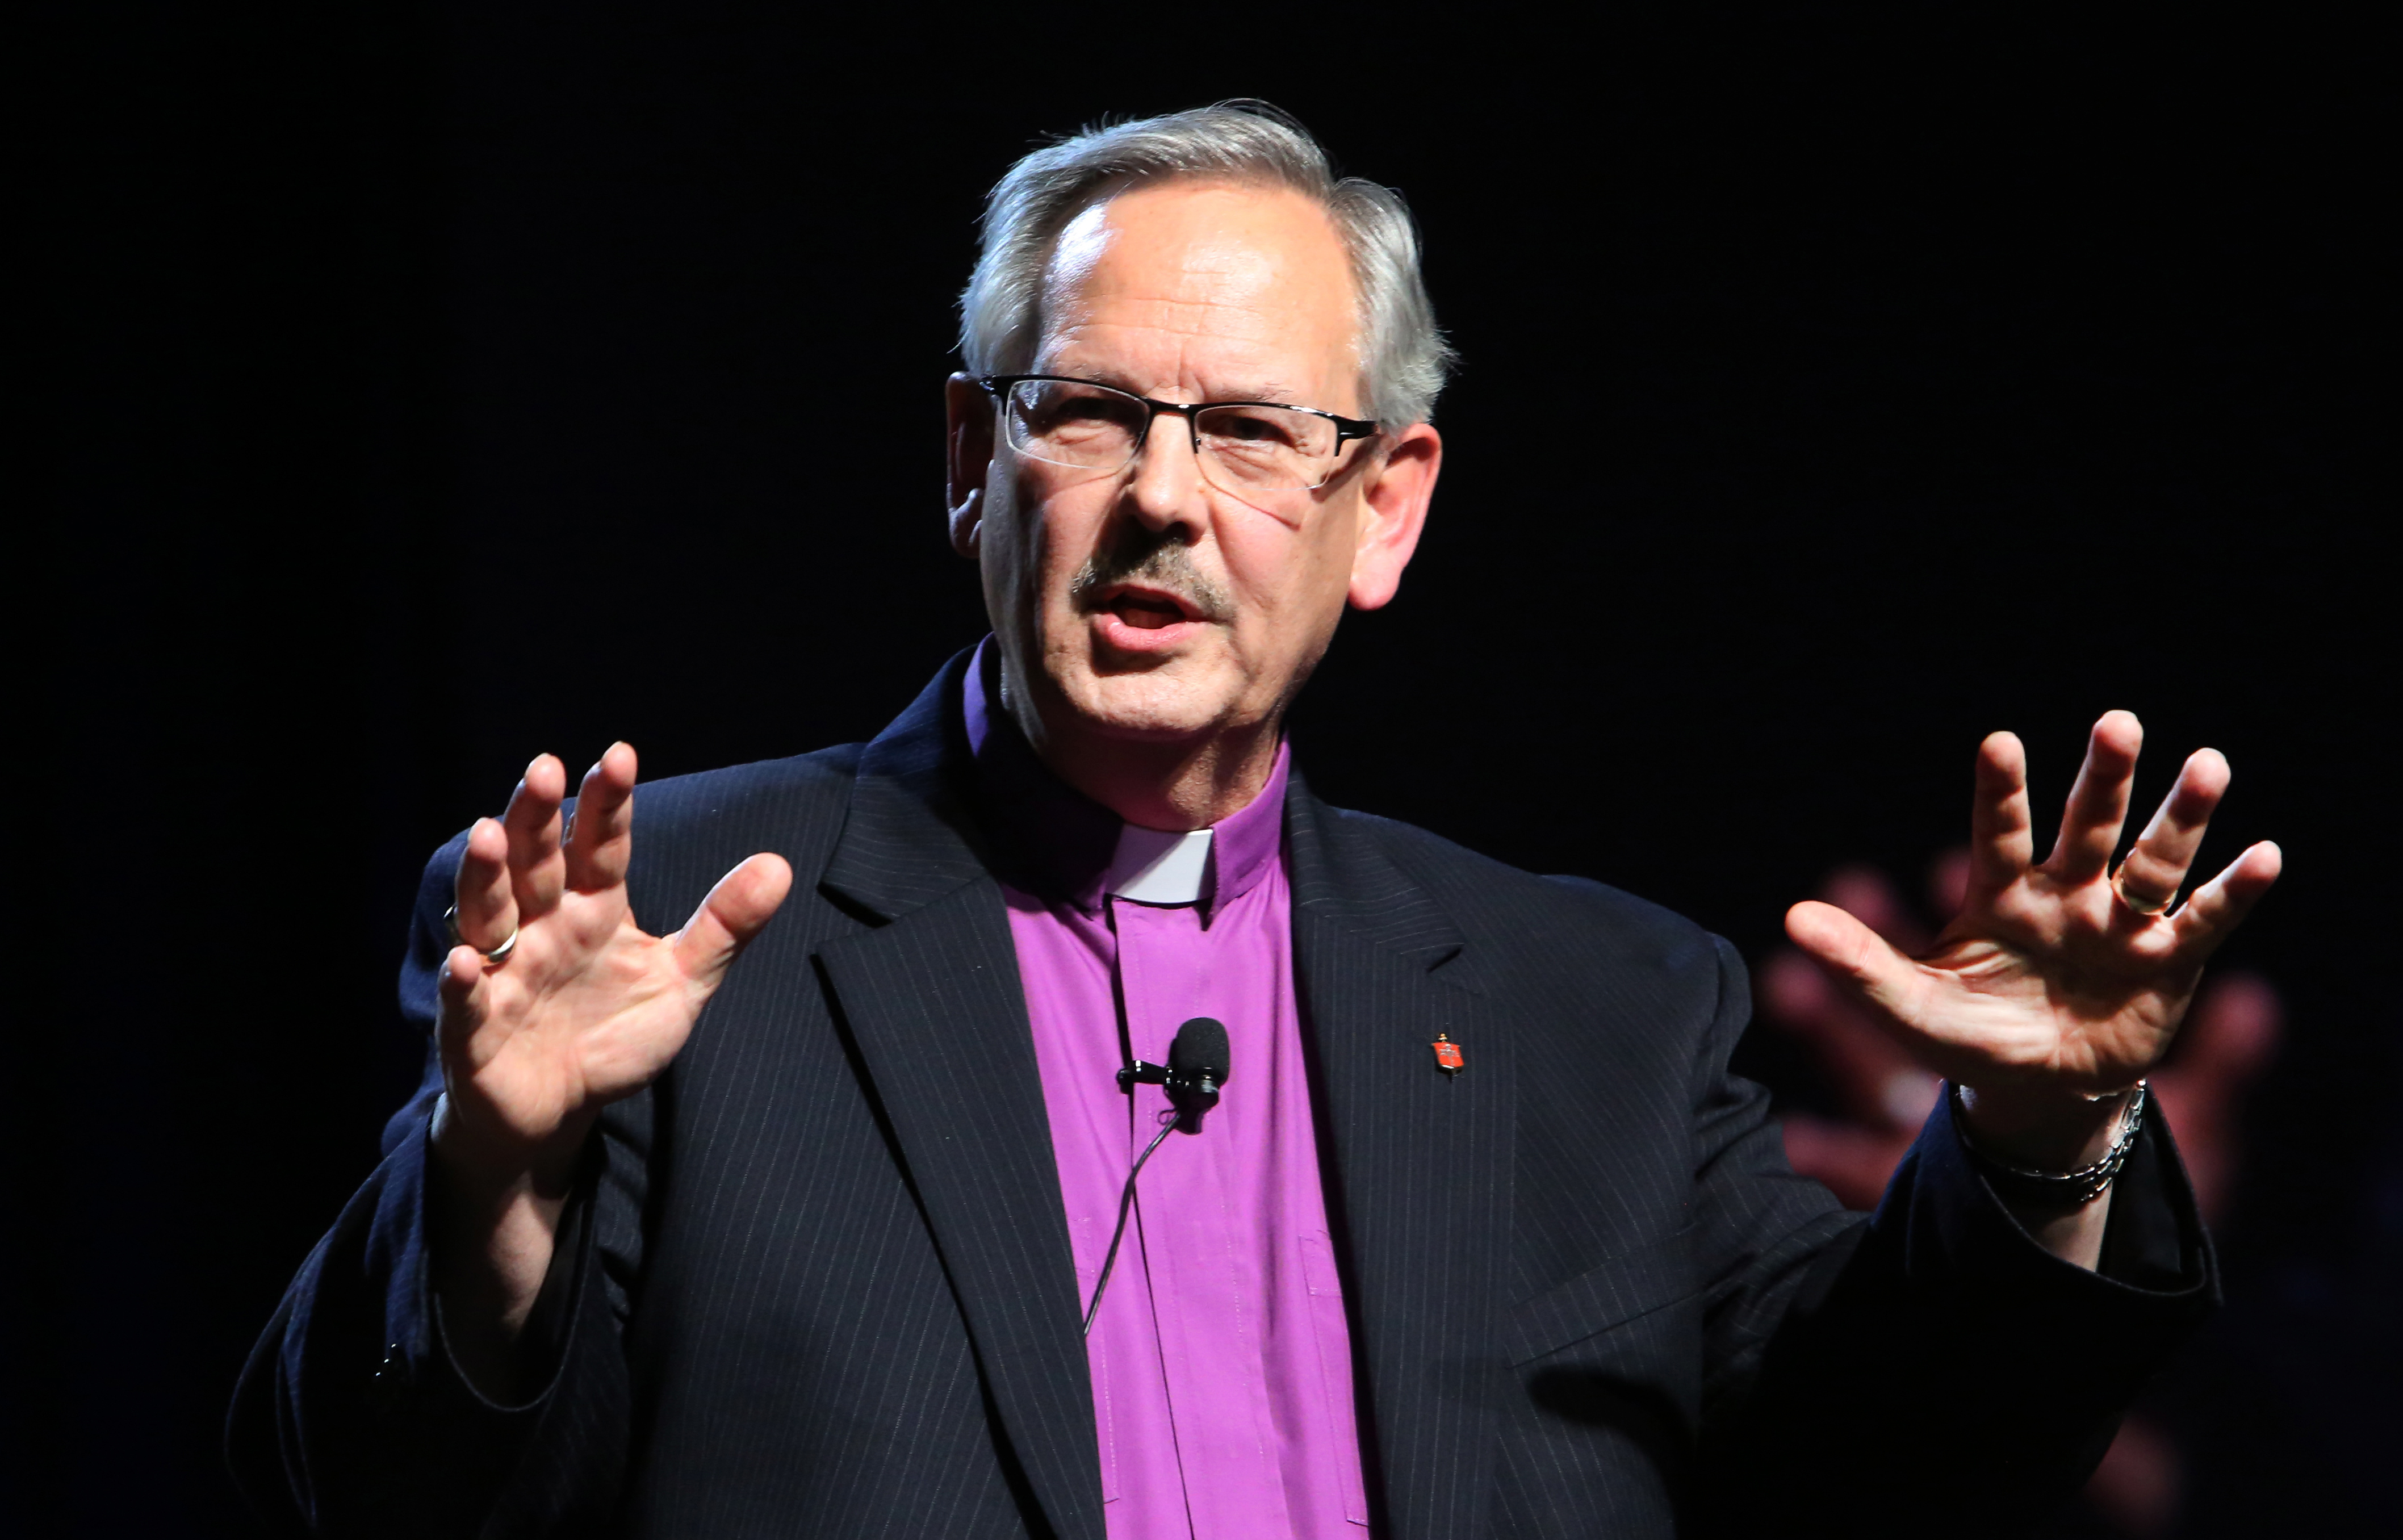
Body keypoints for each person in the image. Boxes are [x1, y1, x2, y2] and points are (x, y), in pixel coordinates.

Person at [228, 103, 2281, 1539]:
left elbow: (1896, 1471)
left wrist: (2042, 1147)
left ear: (1384, 507)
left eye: (1250, 436)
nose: (1163, 499)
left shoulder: (1597, 1012)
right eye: (1093, 412)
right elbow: (385, 1497)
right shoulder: (673, 930)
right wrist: (498, 1177)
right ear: (972, 459)